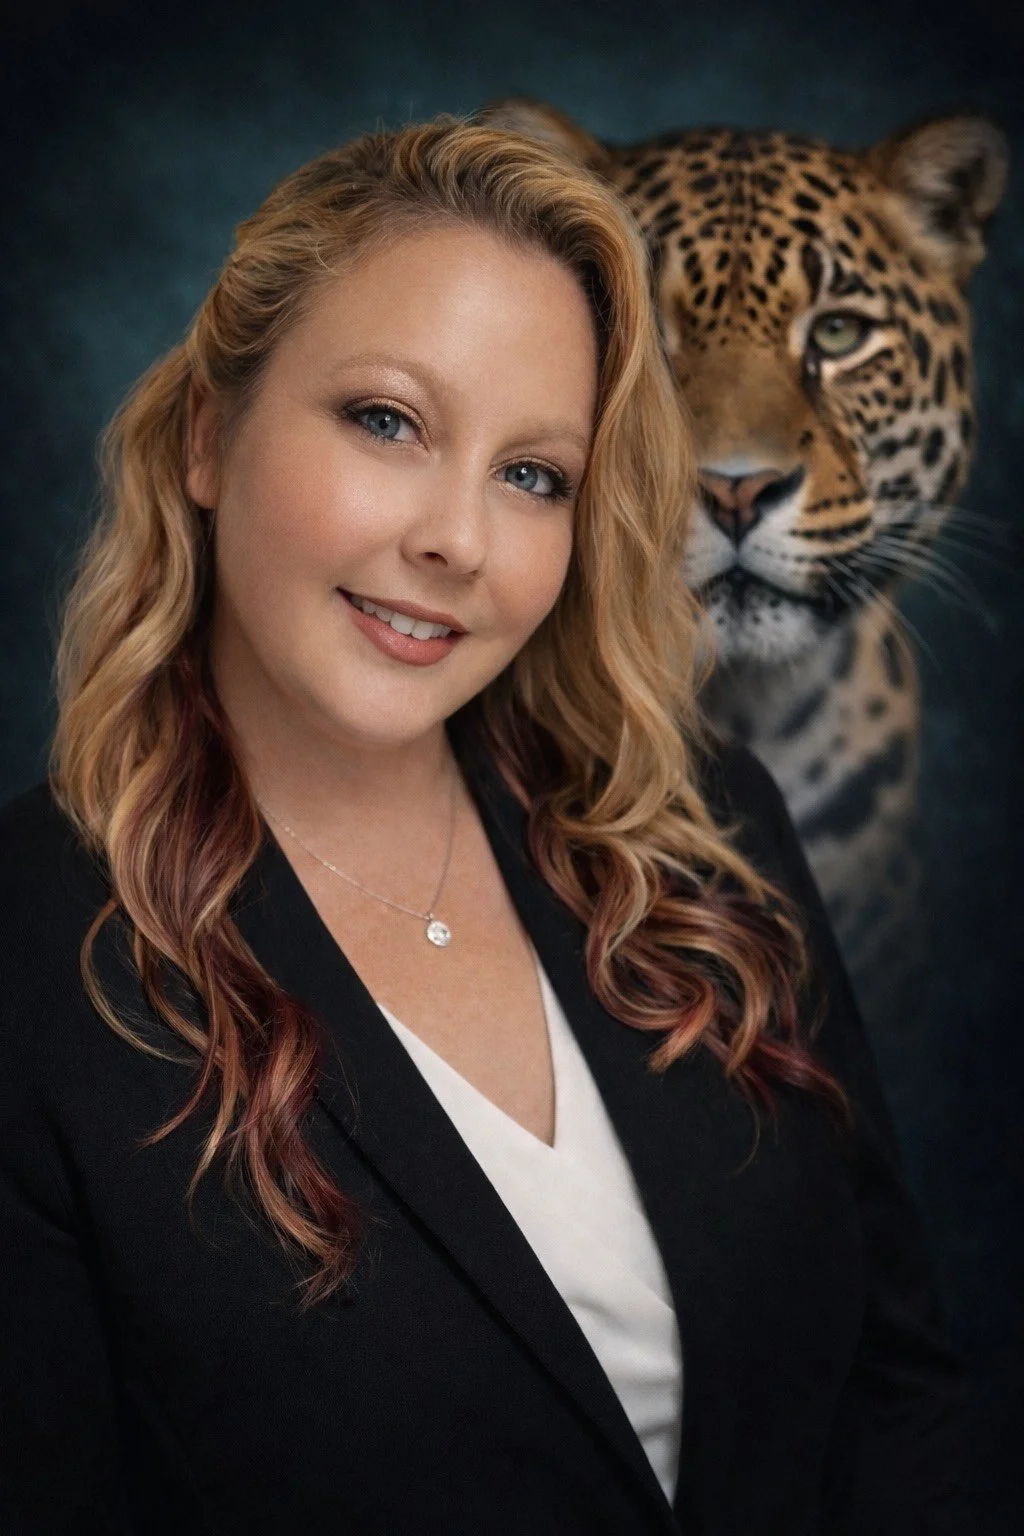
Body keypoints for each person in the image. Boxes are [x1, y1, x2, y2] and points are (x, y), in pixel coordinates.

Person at [0, 113, 968, 1535]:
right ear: (209, 434)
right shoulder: (28, 971)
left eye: (535, 476)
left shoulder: (707, 835)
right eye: (388, 421)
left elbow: (900, 1396)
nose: (457, 539)